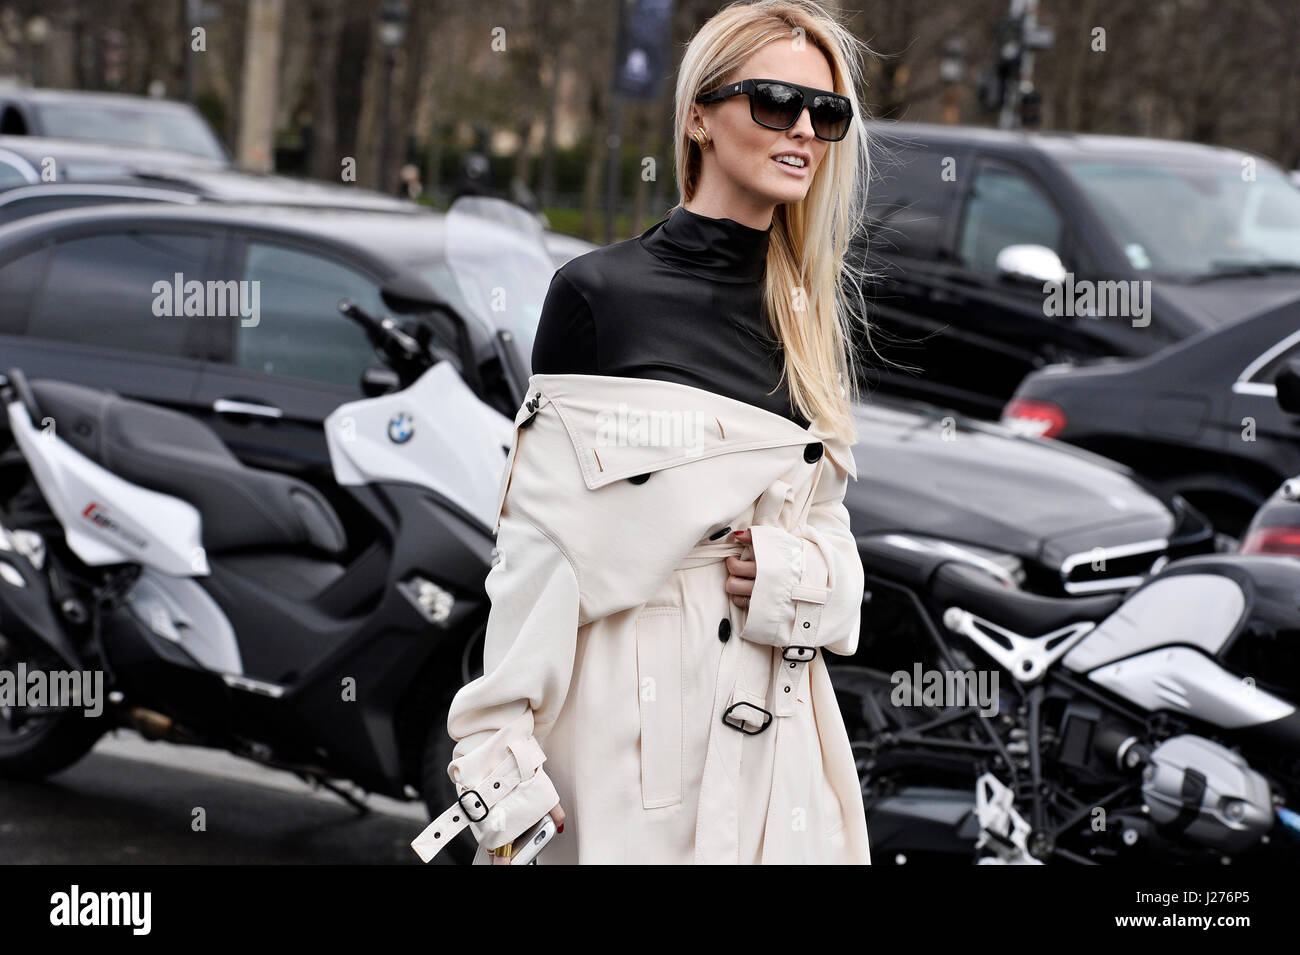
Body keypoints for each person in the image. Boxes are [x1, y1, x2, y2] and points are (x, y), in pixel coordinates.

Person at [412, 0, 873, 865]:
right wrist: (498, 753)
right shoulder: (599, 296)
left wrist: (784, 571)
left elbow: (837, 554)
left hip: (779, 740)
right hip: (626, 733)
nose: (804, 130)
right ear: (699, 114)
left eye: (827, 113)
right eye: (775, 102)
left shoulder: (811, 319)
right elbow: (539, 553)